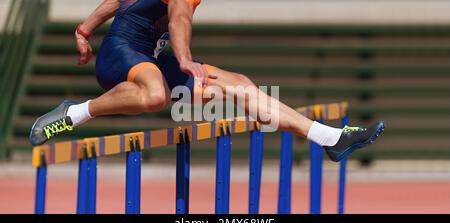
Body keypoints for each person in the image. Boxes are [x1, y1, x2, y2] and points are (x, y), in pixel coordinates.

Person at [29, 0, 385, 162]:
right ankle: (74, 113)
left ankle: (329, 138)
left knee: (240, 86)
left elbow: (116, 2)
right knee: (155, 94)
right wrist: (184, 58)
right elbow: (179, 18)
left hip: (150, 58)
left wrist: (84, 29)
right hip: (120, 53)